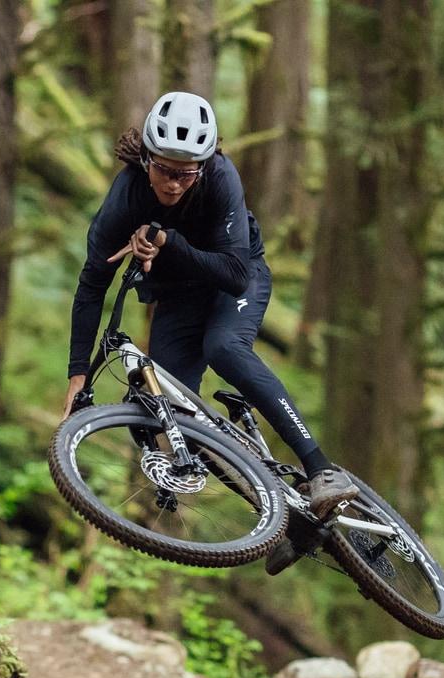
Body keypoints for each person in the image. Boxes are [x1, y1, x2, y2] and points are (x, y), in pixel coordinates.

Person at [63, 91, 359, 517]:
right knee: (167, 403)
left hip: (235, 279)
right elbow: (92, 284)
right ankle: (281, 517)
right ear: (146, 159)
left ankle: (322, 469)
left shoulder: (220, 178)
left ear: (202, 167)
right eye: (164, 169)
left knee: (223, 347)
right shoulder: (124, 200)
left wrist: (168, 242)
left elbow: (235, 273)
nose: (174, 183)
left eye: (186, 174)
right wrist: (77, 372)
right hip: (179, 294)